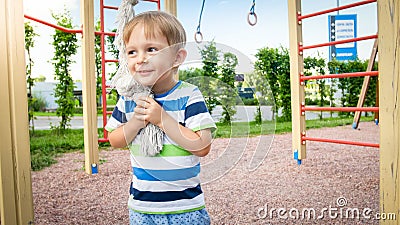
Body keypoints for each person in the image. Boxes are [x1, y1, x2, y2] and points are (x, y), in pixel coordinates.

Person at [105, 11, 216, 225]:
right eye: (132, 52)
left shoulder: (188, 95)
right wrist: (137, 121)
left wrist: (161, 119)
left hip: (185, 207)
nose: (141, 59)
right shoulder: (129, 99)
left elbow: (202, 146)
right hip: (142, 208)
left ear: (177, 58)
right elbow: (114, 140)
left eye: (151, 49)